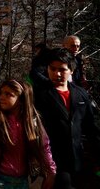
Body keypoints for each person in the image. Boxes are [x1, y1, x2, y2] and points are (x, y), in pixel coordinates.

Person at [0, 79, 56, 189]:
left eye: (8, 94)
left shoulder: (33, 122)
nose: (1, 97)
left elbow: (44, 146)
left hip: (22, 181)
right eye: (1, 93)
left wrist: (51, 172)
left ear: (21, 99)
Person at [34, 48, 100, 189]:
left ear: (71, 70)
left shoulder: (81, 94)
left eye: (62, 70)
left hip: (78, 159)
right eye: (52, 68)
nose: (56, 74)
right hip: (52, 160)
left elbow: (90, 127)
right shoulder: (39, 94)